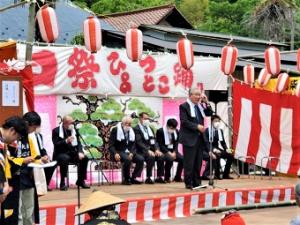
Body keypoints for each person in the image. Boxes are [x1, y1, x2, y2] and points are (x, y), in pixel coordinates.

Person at [179, 88, 213, 189]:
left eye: (199, 95)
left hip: (200, 138)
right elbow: (184, 121)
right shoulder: (184, 106)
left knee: (198, 162)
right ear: (190, 95)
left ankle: (197, 182)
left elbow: (210, 113)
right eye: (196, 95)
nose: (198, 97)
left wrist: (206, 102)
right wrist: (197, 126)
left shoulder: (200, 106)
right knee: (189, 162)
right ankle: (188, 183)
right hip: (189, 138)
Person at [0, 116, 28, 221]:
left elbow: (4, 166)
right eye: (16, 137)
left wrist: (6, 184)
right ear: (12, 130)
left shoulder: (3, 144)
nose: (14, 141)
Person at [52, 115, 90, 191]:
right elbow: (55, 143)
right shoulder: (56, 131)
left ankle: (80, 180)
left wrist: (80, 152)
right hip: (60, 153)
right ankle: (62, 182)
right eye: (70, 123)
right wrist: (66, 141)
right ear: (65, 123)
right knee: (64, 158)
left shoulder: (74, 130)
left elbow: (79, 143)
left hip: (72, 153)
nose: (72, 125)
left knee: (85, 158)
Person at [109, 116, 144, 185]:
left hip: (129, 152)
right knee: (127, 159)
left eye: (130, 124)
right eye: (126, 123)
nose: (128, 125)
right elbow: (111, 145)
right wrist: (115, 153)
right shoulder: (115, 130)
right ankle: (126, 179)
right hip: (119, 152)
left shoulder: (132, 130)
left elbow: (134, 144)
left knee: (141, 159)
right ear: (122, 123)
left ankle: (133, 177)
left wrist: (132, 153)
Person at [134, 112, 165, 184]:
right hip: (141, 150)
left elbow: (154, 141)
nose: (147, 120)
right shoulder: (136, 128)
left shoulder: (150, 128)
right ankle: (148, 177)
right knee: (151, 156)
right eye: (145, 119)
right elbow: (139, 142)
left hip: (151, 150)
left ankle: (159, 177)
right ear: (140, 119)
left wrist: (157, 149)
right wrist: (148, 150)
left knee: (161, 156)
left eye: (148, 119)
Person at [202, 114, 234, 180]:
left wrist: (227, 149)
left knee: (230, 155)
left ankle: (225, 174)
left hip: (217, 148)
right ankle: (217, 174)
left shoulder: (220, 131)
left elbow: (223, 143)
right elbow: (206, 143)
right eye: (216, 121)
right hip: (208, 149)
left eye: (218, 121)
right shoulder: (207, 130)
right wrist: (213, 150)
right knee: (217, 154)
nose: (217, 123)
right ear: (212, 122)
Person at [156, 118, 183, 183]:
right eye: (171, 128)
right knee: (170, 158)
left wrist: (174, 152)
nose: (172, 130)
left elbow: (176, 143)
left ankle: (177, 177)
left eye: (174, 128)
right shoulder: (160, 131)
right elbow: (160, 144)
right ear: (167, 125)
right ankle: (166, 177)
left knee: (182, 159)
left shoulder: (176, 131)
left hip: (173, 151)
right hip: (164, 151)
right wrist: (169, 153)